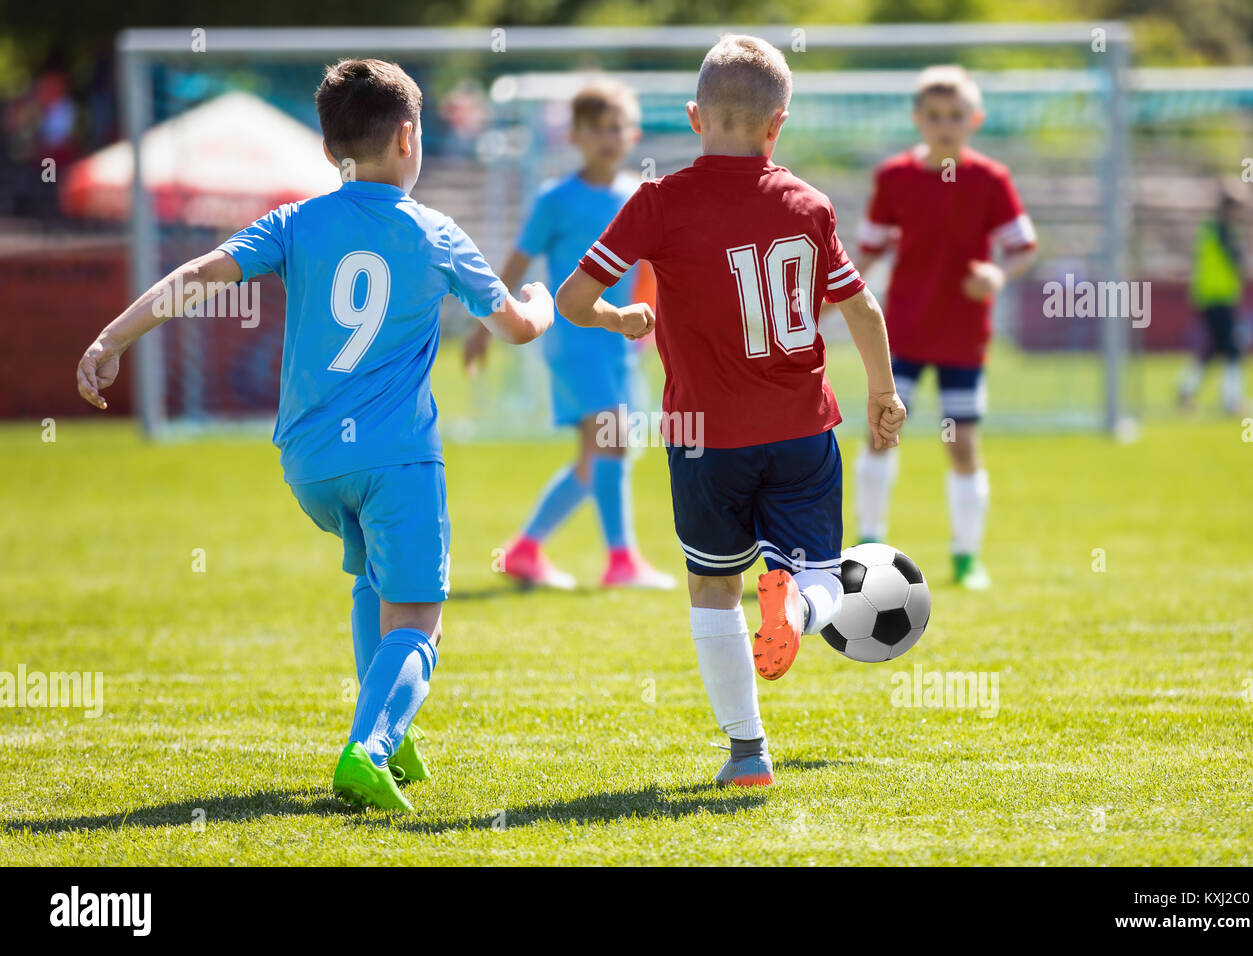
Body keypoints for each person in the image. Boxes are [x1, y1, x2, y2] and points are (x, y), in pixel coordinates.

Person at [75, 59, 554, 812]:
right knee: (420, 619)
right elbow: (519, 331)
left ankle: (389, 731)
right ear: (407, 137)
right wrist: (540, 298)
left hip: (311, 463)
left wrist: (112, 337)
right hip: (397, 458)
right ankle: (367, 749)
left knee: (371, 582)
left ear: (331, 151)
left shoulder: (297, 221)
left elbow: (201, 274)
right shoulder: (436, 233)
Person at [555, 36, 905, 788]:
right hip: (805, 427)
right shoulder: (809, 203)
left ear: (693, 117)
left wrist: (622, 322)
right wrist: (883, 394)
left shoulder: (656, 203)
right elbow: (861, 306)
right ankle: (798, 612)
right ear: (778, 125)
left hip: (703, 437)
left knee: (713, 587)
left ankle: (748, 754)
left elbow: (571, 301)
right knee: (818, 575)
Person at [464, 81, 673, 591]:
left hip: (620, 342)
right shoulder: (554, 198)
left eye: (617, 127)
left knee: (598, 454)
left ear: (634, 133)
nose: (609, 137)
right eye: (597, 129)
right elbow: (514, 260)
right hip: (575, 340)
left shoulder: (638, 196)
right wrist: (484, 326)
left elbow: (652, 269)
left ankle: (524, 550)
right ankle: (621, 561)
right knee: (615, 438)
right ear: (575, 136)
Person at [853, 65, 1037, 590]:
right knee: (883, 432)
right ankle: (868, 544)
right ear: (917, 119)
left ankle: (965, 557)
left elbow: (1023, 249)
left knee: (962, 444)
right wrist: (825, 302)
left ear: (974, 119)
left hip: (962, 337)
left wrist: (997, 273)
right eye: (934, 116)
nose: (945, 124)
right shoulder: (893, 178)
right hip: (902, 332)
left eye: (955, 115)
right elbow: (866, 250)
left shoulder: (990, 179)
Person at [1179, 180, 1247, 414]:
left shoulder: (1209, 229)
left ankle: (1186, 391)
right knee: (1231, 348)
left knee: (1214, 348)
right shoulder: (1221, 231)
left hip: (1210, 297)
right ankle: (1231, 401)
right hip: (1217, 297)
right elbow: (1236, 260)